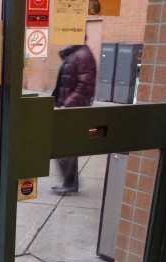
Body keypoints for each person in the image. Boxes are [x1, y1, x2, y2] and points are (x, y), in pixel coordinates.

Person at [51, 39, 97, 194]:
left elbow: (85, 86)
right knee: (65, 146)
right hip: (67, 107)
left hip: (72, 109)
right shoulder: (75, 53)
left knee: (65, 146)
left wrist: (67, 103)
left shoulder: (83, 54)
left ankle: (70, 183)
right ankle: (70, 182)